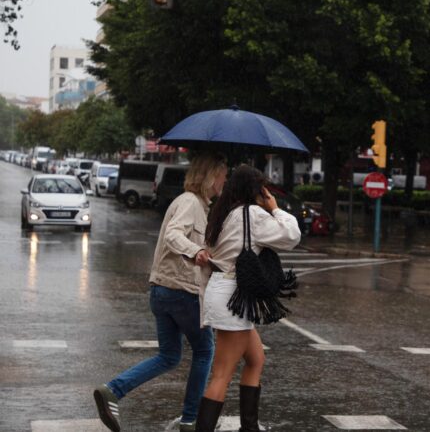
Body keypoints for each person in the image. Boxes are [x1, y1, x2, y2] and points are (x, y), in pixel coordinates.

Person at [93, 153, 228, 432]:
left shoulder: (193, 204)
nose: (224, 181)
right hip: (181, 292)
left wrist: (207, 256)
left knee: (169, 355)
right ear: (211, 177)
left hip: (162, 292)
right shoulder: (191, 203)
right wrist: (197, 251)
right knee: (204, 350)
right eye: (222, 175)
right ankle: (190, 420)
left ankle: (112, 391)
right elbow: (174, 235)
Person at [195, 165, 301, 432]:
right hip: (234, 297)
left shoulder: (225, 214)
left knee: (255, 359)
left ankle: (249, 427)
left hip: (229, 294)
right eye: (262, 187)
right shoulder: (252, 215)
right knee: (221, 374)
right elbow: (291, 236)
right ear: (255, 190)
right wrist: (274, 207)